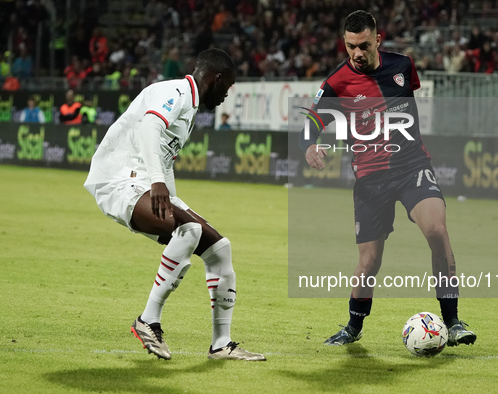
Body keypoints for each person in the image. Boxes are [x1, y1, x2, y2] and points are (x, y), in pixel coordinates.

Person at [301, 10, 476, 347]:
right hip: (370, 179)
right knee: (369, 261)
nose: (357, 53)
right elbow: (310, 125)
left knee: (437, 232)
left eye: (364, 45)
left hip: (412, 167)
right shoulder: (336, 83)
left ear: (377, 40)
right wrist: (310, 146)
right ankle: (353, 327)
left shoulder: (403, 67)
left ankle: (453, 321)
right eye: (351, 46)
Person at [83, 48, 265, 361]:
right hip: (119, 179)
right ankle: (148, 320)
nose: (227, 93)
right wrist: (156, 183)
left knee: (220, 248)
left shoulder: (189, 106)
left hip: (142, 180)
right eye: (229, 85)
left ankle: (221, 345)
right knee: (190, 230)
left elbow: (164, 160)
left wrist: (170, 195)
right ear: (216, 79)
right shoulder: (176, 91)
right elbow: (150, 129)